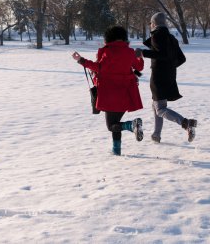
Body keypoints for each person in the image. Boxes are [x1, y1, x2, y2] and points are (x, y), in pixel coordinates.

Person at [72, 26, 144, 156]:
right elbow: (139, 66)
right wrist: (139, 56)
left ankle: (131, 125)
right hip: (127, 92)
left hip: (110, 94)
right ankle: (116, 151)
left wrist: (81, 60)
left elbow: (98, 67)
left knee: (111, 125)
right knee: (115, 124)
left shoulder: (107, 52)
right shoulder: (129, 52)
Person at [135, 12, 197, 143]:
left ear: (155, 23)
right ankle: (156, 135)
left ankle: (186, 123)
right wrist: (169, 67)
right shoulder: (171, 38)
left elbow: (161, 54)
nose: (150, 25)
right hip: (169, 76)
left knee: (160, 109)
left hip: (158, 77)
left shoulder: (157, 36)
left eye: (151, 23)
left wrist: (143, 53)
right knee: (156, 105)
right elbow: (181, 58)